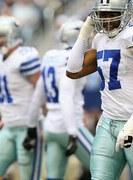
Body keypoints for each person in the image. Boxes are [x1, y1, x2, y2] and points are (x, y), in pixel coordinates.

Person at [66, 0, 133, 180]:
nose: (107, 19)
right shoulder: (100, 39)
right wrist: (84, 33)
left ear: (125, 14)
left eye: (112, 13)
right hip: (108, 121)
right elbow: (72, 70)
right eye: (102, 13)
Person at [22, 19, 94, 179]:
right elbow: (65, 97)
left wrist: (31, 127)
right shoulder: (72, 58)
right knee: (105, 168)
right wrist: (72, 132)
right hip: (69, 126)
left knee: (54, 177)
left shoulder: (50, 56)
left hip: (51, 128)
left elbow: (37, 98)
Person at [0, 15, 43, 180]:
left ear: (13, 35)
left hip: (28, 126)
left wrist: (47, 120)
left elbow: (43, 89)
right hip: (9, 125)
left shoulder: (24, 57)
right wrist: (5, 116)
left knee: (29, 176)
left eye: (1, 35)